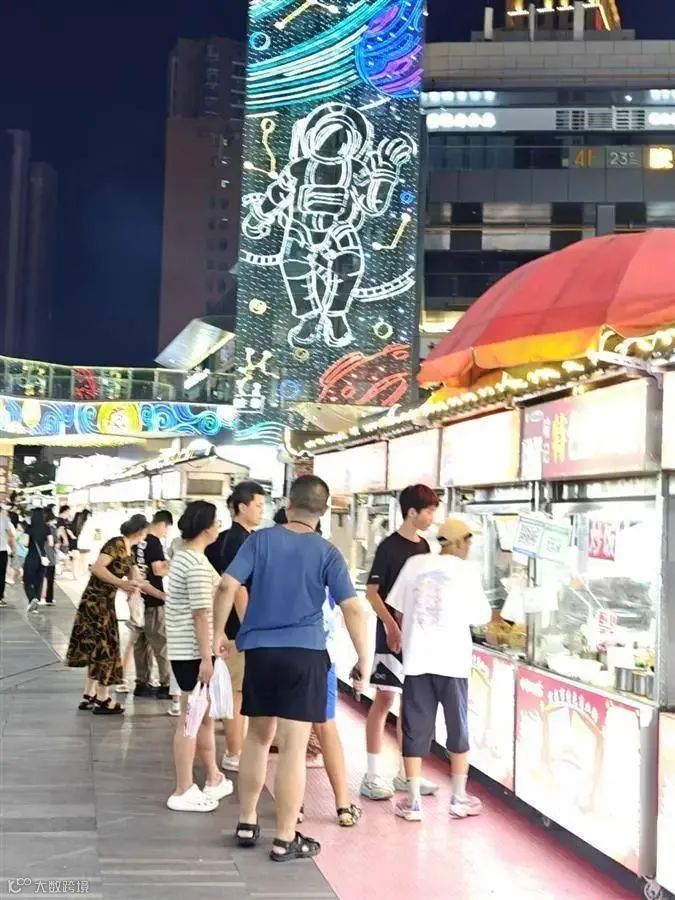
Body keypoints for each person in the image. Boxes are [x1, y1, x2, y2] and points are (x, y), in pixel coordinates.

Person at [214, 475, 368, 863]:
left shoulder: (259, 541)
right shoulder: (328, 552)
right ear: (324, 509)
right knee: (293, 749)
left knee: (257, 738)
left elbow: (226, 586)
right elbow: (352, 607)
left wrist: (218, 634)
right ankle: (284, 838)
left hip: (261, 654)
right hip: (305, 653)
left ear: (287, 504)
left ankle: (247, 821)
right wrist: (364, 658)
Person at [387, 517, 492, 821]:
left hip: (417, 659)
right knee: (457, 726)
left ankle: (413, 802)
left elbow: (398, 609)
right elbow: (481, 616)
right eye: (468, 541)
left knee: (415, 727)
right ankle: (458, 798)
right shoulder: (467, 571)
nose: (469, 547)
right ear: (458, 542)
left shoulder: (414, 564)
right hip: (453, 661)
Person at [361, 484, 440, 801]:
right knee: (384, 699)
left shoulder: (425, 547)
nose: (432, 517)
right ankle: (371, 774)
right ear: (411, 512)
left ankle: (407, 775)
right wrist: (391, 626)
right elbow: (372, 593)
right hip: (391, 638)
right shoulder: (389, 547)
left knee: (412, 704)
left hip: (417, 638)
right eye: (429, 511)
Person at [165, 500, 233, 812]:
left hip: (188, 651)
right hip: (193, 653)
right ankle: (183, 788)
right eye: (216, 522)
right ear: (206, 528)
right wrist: (207, 657)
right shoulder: (194, 563)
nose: (219, 527)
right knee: (190, 720)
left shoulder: (186, 557)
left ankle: (213, 777)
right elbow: (201, 613)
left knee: (202, 717)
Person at [206, 481, 265, 772]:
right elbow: (237, 588)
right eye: (258, 505)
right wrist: (249, 627)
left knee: (238, 690)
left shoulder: (239, 537)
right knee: (236, 692)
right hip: (237, 629)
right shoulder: (239, 540)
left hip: (237, 626)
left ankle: (236, 748)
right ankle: (234, 752)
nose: (262, 510)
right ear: (242, 507)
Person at [65, 514, 149, 714]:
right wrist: (120, 583)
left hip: (105, 603)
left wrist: (162, 595)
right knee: (106, 648)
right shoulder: (116, 544)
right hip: (95, 603)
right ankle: (103, 698)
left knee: (98, 647)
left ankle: (89, 694)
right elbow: (97, 568)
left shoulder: (129, 551)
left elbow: (137, 580)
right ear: (140, 531)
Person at [131, 510, 174, 699]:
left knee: (141, 645)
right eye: (167, 529)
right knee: (161, 644)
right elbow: (158, 570)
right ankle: (166, 684)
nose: (166, 533)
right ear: (164, 524)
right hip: (154, 600)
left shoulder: (137, 541)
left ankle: (142, 683)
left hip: (137, 600)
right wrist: (173, 564)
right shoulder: (154, 541)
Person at [24, 508, 51, 614]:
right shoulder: (46, 528)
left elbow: (25, 543)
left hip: (31, 556)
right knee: (39, 580)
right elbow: (51, 543)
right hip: (42, 557)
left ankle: (32, 598)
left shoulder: (29, 528)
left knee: (28, 579)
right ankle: (36, 604)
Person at [0, 501, 16, 608]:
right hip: (2, 550)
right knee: (1, 575)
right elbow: (10, 535)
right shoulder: (4, 518)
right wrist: (13, 548)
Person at [41, 506, 58, 606]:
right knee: (50, 578)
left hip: (38, 555)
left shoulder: (36, 527)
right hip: (50, 556)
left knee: (40, 577)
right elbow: (55, 543)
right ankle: (49, 599)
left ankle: (38, 597)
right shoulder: (52, 528)